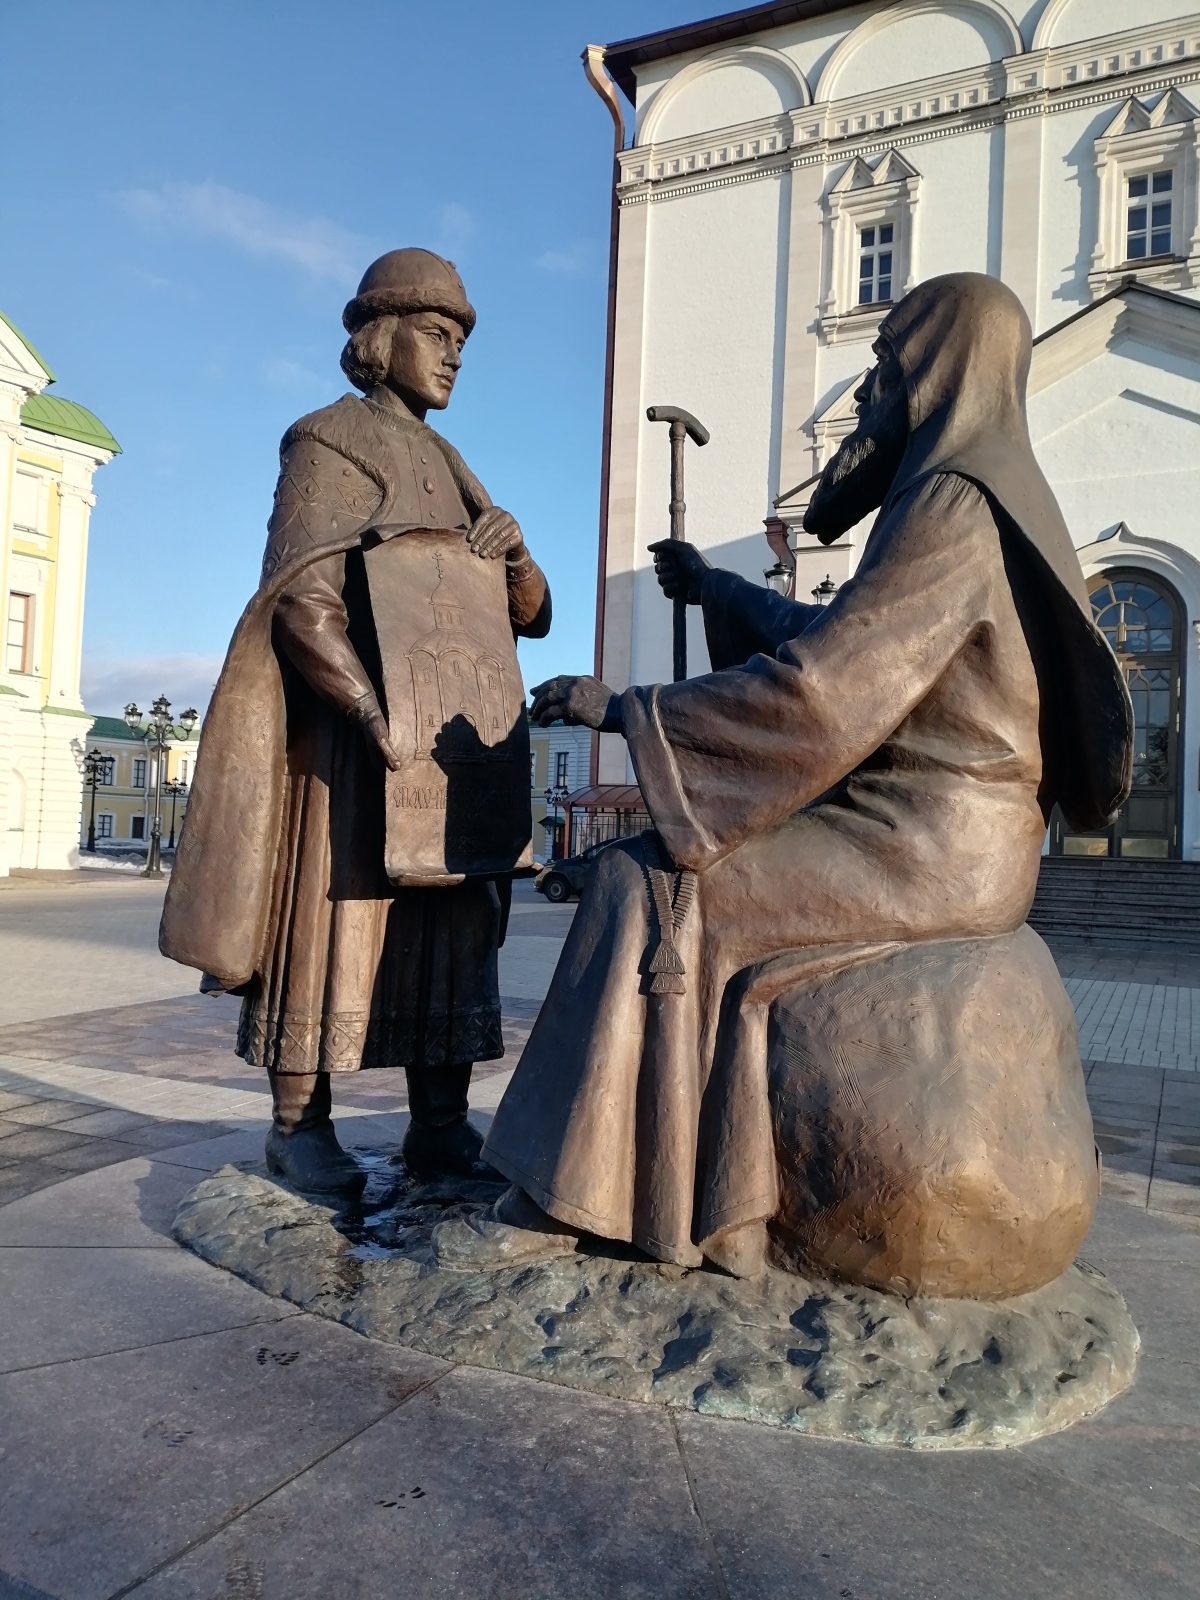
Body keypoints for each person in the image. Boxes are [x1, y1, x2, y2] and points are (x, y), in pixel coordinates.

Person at [480, 272, 1130, 1276]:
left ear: (933, 376)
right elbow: (850, 645)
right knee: (651, 873)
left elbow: (826, 693)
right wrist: (726, 592)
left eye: (880, 377)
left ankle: (580, 1199)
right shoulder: (973, 491)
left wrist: (627, 709)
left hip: (925, 844)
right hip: (932, 831)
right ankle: (665, 1194)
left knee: (646, 882)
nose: (865, 406)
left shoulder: (954, 504)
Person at [161, 249, 550, 1198]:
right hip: (347, 747)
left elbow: (531, 615)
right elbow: (301, 602)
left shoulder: (456, 468)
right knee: (335, 930)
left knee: (451, 930)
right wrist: (375, 716)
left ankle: (440, 1125)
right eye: (436, 334)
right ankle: (298, 1126)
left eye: (461, 340)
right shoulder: (327, 441)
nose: (454, 356)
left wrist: (514, 556)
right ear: (381, 340)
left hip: (446, 756)